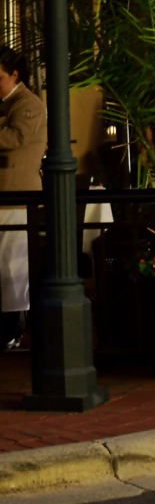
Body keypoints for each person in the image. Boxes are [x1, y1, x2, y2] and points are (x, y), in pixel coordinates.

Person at [0, 48, 46, 350]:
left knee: (12, 266)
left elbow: (15, 138)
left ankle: (12, 330)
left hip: (15, 196)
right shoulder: (8, 103)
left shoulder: (28, 103)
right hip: (5, 194)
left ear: (15, 75)